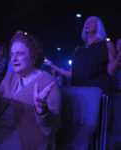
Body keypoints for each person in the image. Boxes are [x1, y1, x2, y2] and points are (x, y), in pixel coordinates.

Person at [0, 31, 61, 150]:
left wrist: (42, 112)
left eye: (19, 54)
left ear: (34, 56)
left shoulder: (48, 82)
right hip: (0, 128)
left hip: (29, 134)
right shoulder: (10, 77)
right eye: (12, 54)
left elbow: (53, 126)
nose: (13, 59)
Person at [45, 16, 121, 149]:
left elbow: (111, 72)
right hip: (79, 94)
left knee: (98, 135)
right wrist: (53, 66)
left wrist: (119, 60)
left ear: (99, 27)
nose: (88, 23)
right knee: (77, 133)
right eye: (86, 22)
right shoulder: (78, 49)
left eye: (92, 22)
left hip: (99, 95)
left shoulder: (106, 45)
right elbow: (72, 74)